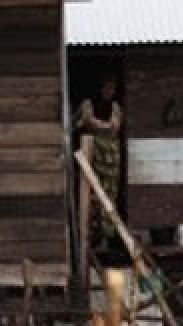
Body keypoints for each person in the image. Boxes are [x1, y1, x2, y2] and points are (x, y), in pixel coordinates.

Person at [75, 74, 123, 246]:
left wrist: (100, 126)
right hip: (92, 157)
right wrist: (104, 126)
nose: (109, 92)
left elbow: (115, 125)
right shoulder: (88, 103)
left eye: (112, 89)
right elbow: (87, 120)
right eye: (107, 88)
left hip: (110, 161)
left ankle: (106, 238)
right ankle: (91, 239)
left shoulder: (115, 107)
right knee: (93, 198)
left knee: (109, 199)